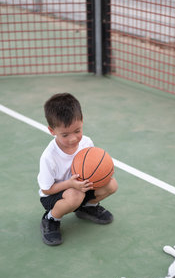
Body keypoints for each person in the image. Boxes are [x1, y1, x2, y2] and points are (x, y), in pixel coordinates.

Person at [37, 93, 118, 246]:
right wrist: (71, 184)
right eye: (65, 134)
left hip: (81, 187)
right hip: (55, 194)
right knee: (75, 196)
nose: (73, 138)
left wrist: (104, 173)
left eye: (77, 131)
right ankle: (51, 219)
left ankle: (87, 208)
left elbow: (95, 167)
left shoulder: (86, 142)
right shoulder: (49, 156)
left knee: (112, 184)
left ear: (82, 122)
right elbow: (46, 189)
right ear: (52, 130)